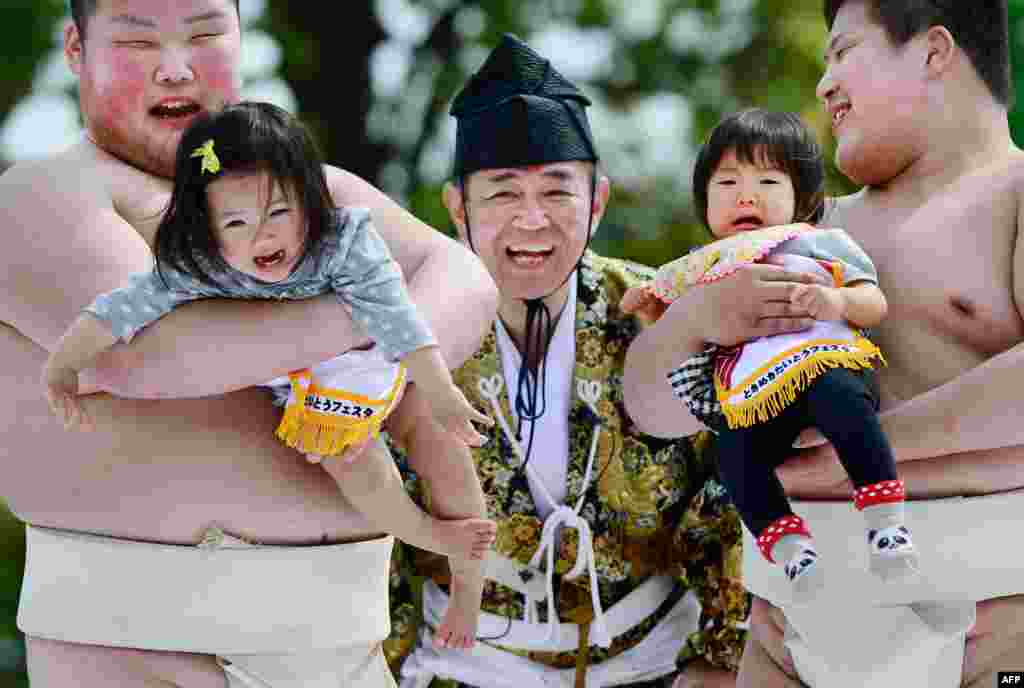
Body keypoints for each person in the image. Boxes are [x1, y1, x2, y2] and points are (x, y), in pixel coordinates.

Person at [0, 1, 499, 686]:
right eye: (138, 42)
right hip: (133, 651)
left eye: (205, 34)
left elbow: (466, 278)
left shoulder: (305, 186)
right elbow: (147, 355)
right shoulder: (42, 190)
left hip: (337, 643)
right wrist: (370, 315)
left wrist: (368, 374)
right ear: (77, 50)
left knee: (429, 426)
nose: (175, 69)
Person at [623, 1, 1024, 686]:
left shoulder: (1013, 192)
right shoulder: (797, 231)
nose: (823, 82)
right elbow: (651, 410)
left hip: (987, 630)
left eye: (843, 51)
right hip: (789, 634)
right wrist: (693, 322)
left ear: (933, 52)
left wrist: (862, 446)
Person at [382, 33, 747, 688]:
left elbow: (729, 495)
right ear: (457, 206)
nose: (531, 220)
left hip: (654, 663)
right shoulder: (407, 331)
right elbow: (374, 521)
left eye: (557, 192)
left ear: (597, 201)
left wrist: (722, 661)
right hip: (463, 667)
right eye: (502, 194)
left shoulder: (664, 312)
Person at [622, 108, 917, 603]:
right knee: (733, 454)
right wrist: (655, 308)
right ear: (704, 200)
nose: (746, 196)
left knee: (846, 404)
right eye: (728, 182)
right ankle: (792, 551)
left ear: (802, 199)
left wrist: (838, 302)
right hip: (754, 393)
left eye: (767, 181)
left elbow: (874, 301)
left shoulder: (819, 242)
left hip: (824, 362)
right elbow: (669, 321)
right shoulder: (701, 266)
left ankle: (886, 523)